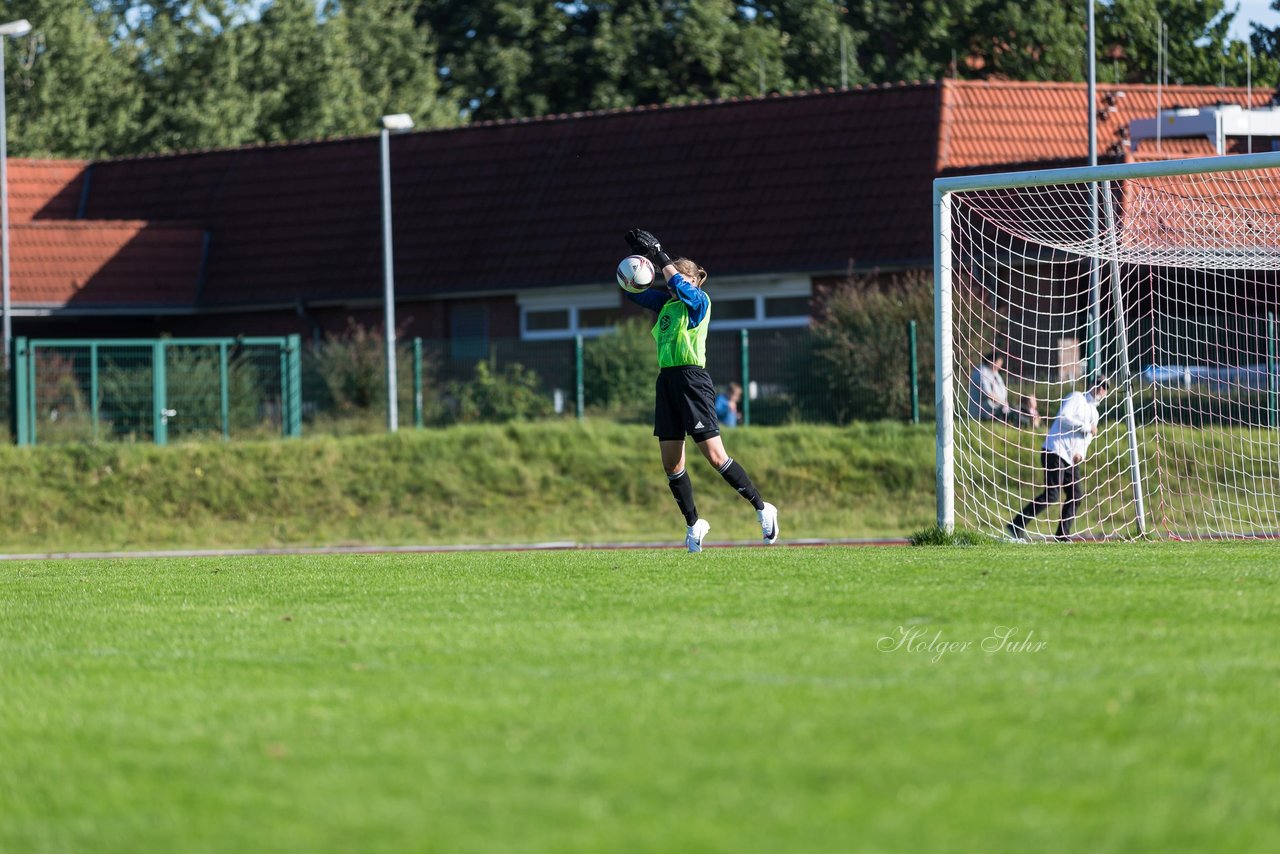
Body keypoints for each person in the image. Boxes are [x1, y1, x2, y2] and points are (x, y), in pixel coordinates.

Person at [622, 227, 778, 552]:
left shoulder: (699, 302)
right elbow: (634, 292)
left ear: (693, 281)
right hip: (666, 382)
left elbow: (678, 284)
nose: (673, 283)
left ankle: (763, 508)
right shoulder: (666, 305)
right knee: (671, 464)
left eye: (679, 278)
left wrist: (659, 253)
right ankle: (694, 524)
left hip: (693, 381)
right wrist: (633, 267)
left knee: (715, 456)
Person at [1008, 378, 1110, 542]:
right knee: (1052, 494)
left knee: (1076, 495)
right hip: (1054, 450)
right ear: (1091, 385)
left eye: (1105, 387)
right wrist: (1085, 427)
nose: (1101, 389)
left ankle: (1062, 534)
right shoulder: (1076, 397)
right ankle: (1017, 524)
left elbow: (1087, 440)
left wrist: (1081, 454)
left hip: (1070, 458)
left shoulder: (1095, 414)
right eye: (1099, 384)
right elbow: (1063, 417)